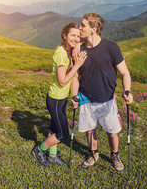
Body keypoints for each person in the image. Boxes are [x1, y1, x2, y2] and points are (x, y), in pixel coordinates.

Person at [70, 13, 134, 172]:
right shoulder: (78, 50)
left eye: (83, 25)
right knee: (90, 131)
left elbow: (125, 73)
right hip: (86, 98)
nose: (79, 28)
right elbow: (75, 76)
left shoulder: (111, 48)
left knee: (112, 133)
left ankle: (115, 155)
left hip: (107, 99)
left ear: (94, 29)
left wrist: (127, 91)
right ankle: (94, 154)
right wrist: (74, 95)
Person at [31, 22, 87, 167]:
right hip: (55, 99)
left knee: (54, 128)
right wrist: (77, 65)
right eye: (72, 35)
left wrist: (79, 44)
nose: (75, 38)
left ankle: (52, 156)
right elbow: (62, 82)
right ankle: (39, 150)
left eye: (78, 36)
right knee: (62, 134)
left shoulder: (67, 51)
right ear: (64, 35)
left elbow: (86, 39)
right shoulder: (61, 54)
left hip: (61, 98)